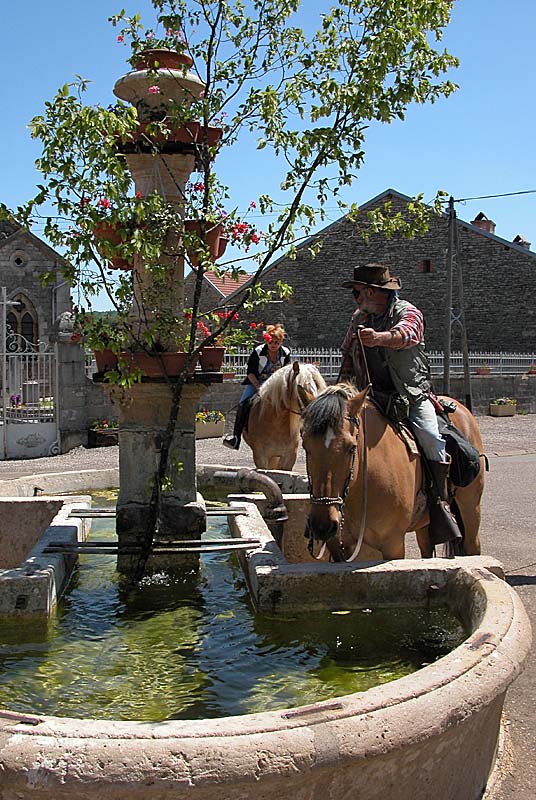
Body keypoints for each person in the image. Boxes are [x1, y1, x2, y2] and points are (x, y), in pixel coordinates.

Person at [340, 263, 460, 543]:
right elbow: (347, 353)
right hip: (370, 396)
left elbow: (407, 335)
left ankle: (439, 502)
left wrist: (379, 338)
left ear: (371, 292)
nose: (355, 300)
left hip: (410, 395)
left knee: (431, 438)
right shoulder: (359, 318)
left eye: (356, 293)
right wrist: (339, 389)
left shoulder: (408, 312)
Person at [223, 323, 291, 450]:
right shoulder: (258, 351)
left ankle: (297, 434)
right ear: (267, 341)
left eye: (277, 342)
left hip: (276, 385)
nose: (274, 345)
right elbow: (250, 372)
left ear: (281, 342)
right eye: (271, 342)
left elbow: (287, 372)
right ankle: (235, 438)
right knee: (243, 403)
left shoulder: (285, 353)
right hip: (256, 383)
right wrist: (259, 386)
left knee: (293, 402)